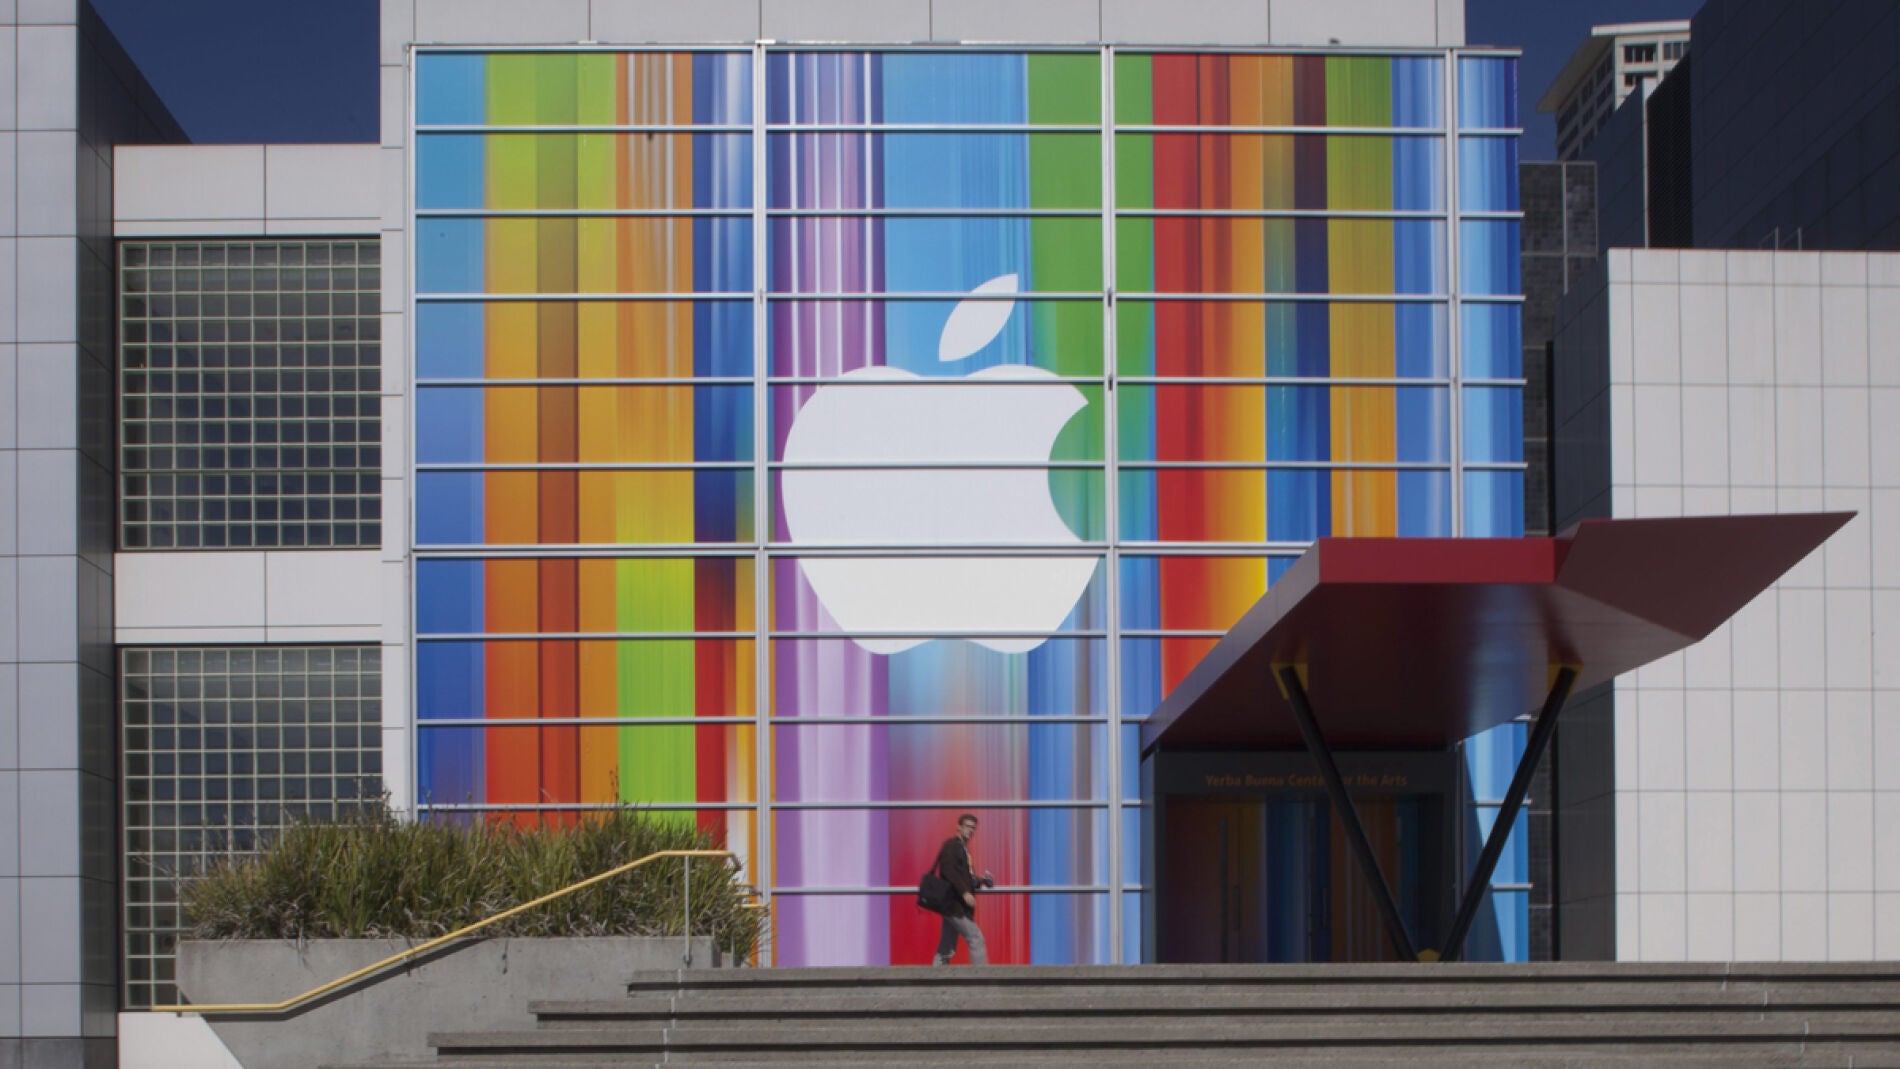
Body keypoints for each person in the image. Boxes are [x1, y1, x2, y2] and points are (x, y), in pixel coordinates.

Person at [931, 812, 994, 965]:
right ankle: (982, 982)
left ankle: (933, 981)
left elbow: (964, 878)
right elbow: (948, 870)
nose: (971, 831)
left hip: (953, 905)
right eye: (967, 827)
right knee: (976, 938)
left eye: (973, 828)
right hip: (954, 905)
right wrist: (965, 893)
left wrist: (981, 881)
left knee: (946, 948)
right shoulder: (951, 846)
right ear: (958, 827)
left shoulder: (963, 849)